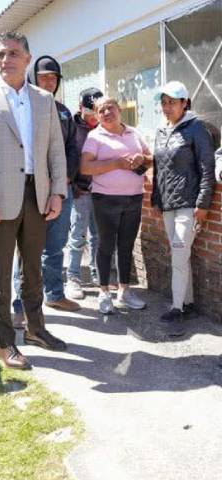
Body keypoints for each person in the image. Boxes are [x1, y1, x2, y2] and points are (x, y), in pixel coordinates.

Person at [0, 32, 68, 370]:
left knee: (33, 270)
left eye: (12, 53)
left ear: (27, 57)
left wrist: (57, 191)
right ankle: (5, 343)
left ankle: (36, 329)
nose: (5, 59)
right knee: (0, 274)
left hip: (37, 196)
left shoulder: (43, 99)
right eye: (0, 54)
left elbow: (55, 150)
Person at [9, 55, 82, 327]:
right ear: (33, 78)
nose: (49, 82)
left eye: (54, 77)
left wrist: (61, 181)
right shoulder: (23, 107)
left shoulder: (64, 112)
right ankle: (20, 305)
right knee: (26, 249)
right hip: (30, 190)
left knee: (55, 247)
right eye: (44, 77)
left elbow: (72, 149)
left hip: (60, 191)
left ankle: (54, 294)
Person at [150, 80, 215, 335]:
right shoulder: (161, 130)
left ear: (185, 103)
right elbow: (158, 168)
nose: (167, 107)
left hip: (189, 204)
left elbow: (207, 168)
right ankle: (186, 302)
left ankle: (176, 308)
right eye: (163, 103)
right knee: (180, 253)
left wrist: (203, 204)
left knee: (178, 254)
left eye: (172, 102)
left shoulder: (196, 127)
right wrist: (156, 198)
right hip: (168, 204)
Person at [79, 96, 151, 315]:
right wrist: (117, 163)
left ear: (119, 109)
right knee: (106, 245)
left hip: (134, 198)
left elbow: (151, 157)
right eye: (101, 110)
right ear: (97, 115)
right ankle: (103, 293)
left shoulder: (134, 133)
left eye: (110, 107)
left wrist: (142, 158)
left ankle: (124, 291)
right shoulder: (94, 136)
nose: (106, 112)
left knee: (126, 245)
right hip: (105, 199)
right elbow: (85, 167)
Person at [64, 87, 104, 301]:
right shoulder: (70, 127)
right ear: (80, 108)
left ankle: (98, 273)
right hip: (79, 190)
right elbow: (65, 157)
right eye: (90, 114)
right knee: (78, 235)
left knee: (98, 235)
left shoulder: (103, 126)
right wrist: (72, 185)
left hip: (100, 190)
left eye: (96, 114)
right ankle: (73, 277)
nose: (93, 119)